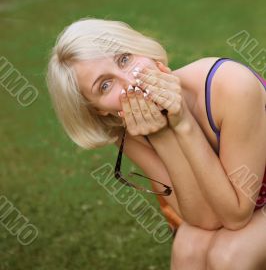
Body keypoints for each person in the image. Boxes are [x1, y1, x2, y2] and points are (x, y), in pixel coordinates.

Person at [46, 16, 266, 270]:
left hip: (241, 206)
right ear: (99, 111)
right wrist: (164, 136)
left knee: (230, 256)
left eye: (125, 59)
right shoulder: (128, 129)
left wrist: (184, 124)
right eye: (105, 85)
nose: (130, 82)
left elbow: (235, 215)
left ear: (143, 50)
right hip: (239, 206)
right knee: (188, 247)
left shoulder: (230, 85)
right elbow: (203, 220)